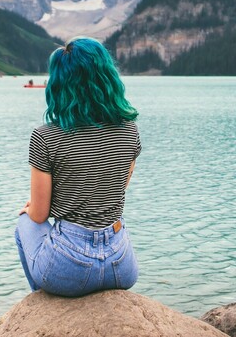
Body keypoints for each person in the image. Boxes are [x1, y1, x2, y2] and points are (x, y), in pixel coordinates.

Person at [14, 37, 141, 297]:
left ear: (59, 84)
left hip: (69, 267)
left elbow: (40, 216)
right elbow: (117, 186)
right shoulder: (130, 130)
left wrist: (31, 208)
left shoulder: (45, 136)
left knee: (24, 224)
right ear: (107, 77)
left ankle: (43, 309)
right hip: (122, 265)